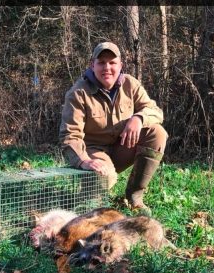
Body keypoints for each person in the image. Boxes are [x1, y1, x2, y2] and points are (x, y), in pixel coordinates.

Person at [59, 42, 167, 212]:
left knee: (157, 133)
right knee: (100, 185)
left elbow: (155, 111)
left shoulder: (130, 85)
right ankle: (86, 198)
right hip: (93, 153)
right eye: (101, 62)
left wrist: (138, 118)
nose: (107, 68)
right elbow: (69, 136)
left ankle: (134, 196)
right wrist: (84, 161)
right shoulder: (78, 93)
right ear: (92, 65)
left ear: (120, 66)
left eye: (112, 63)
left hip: (121, 148)